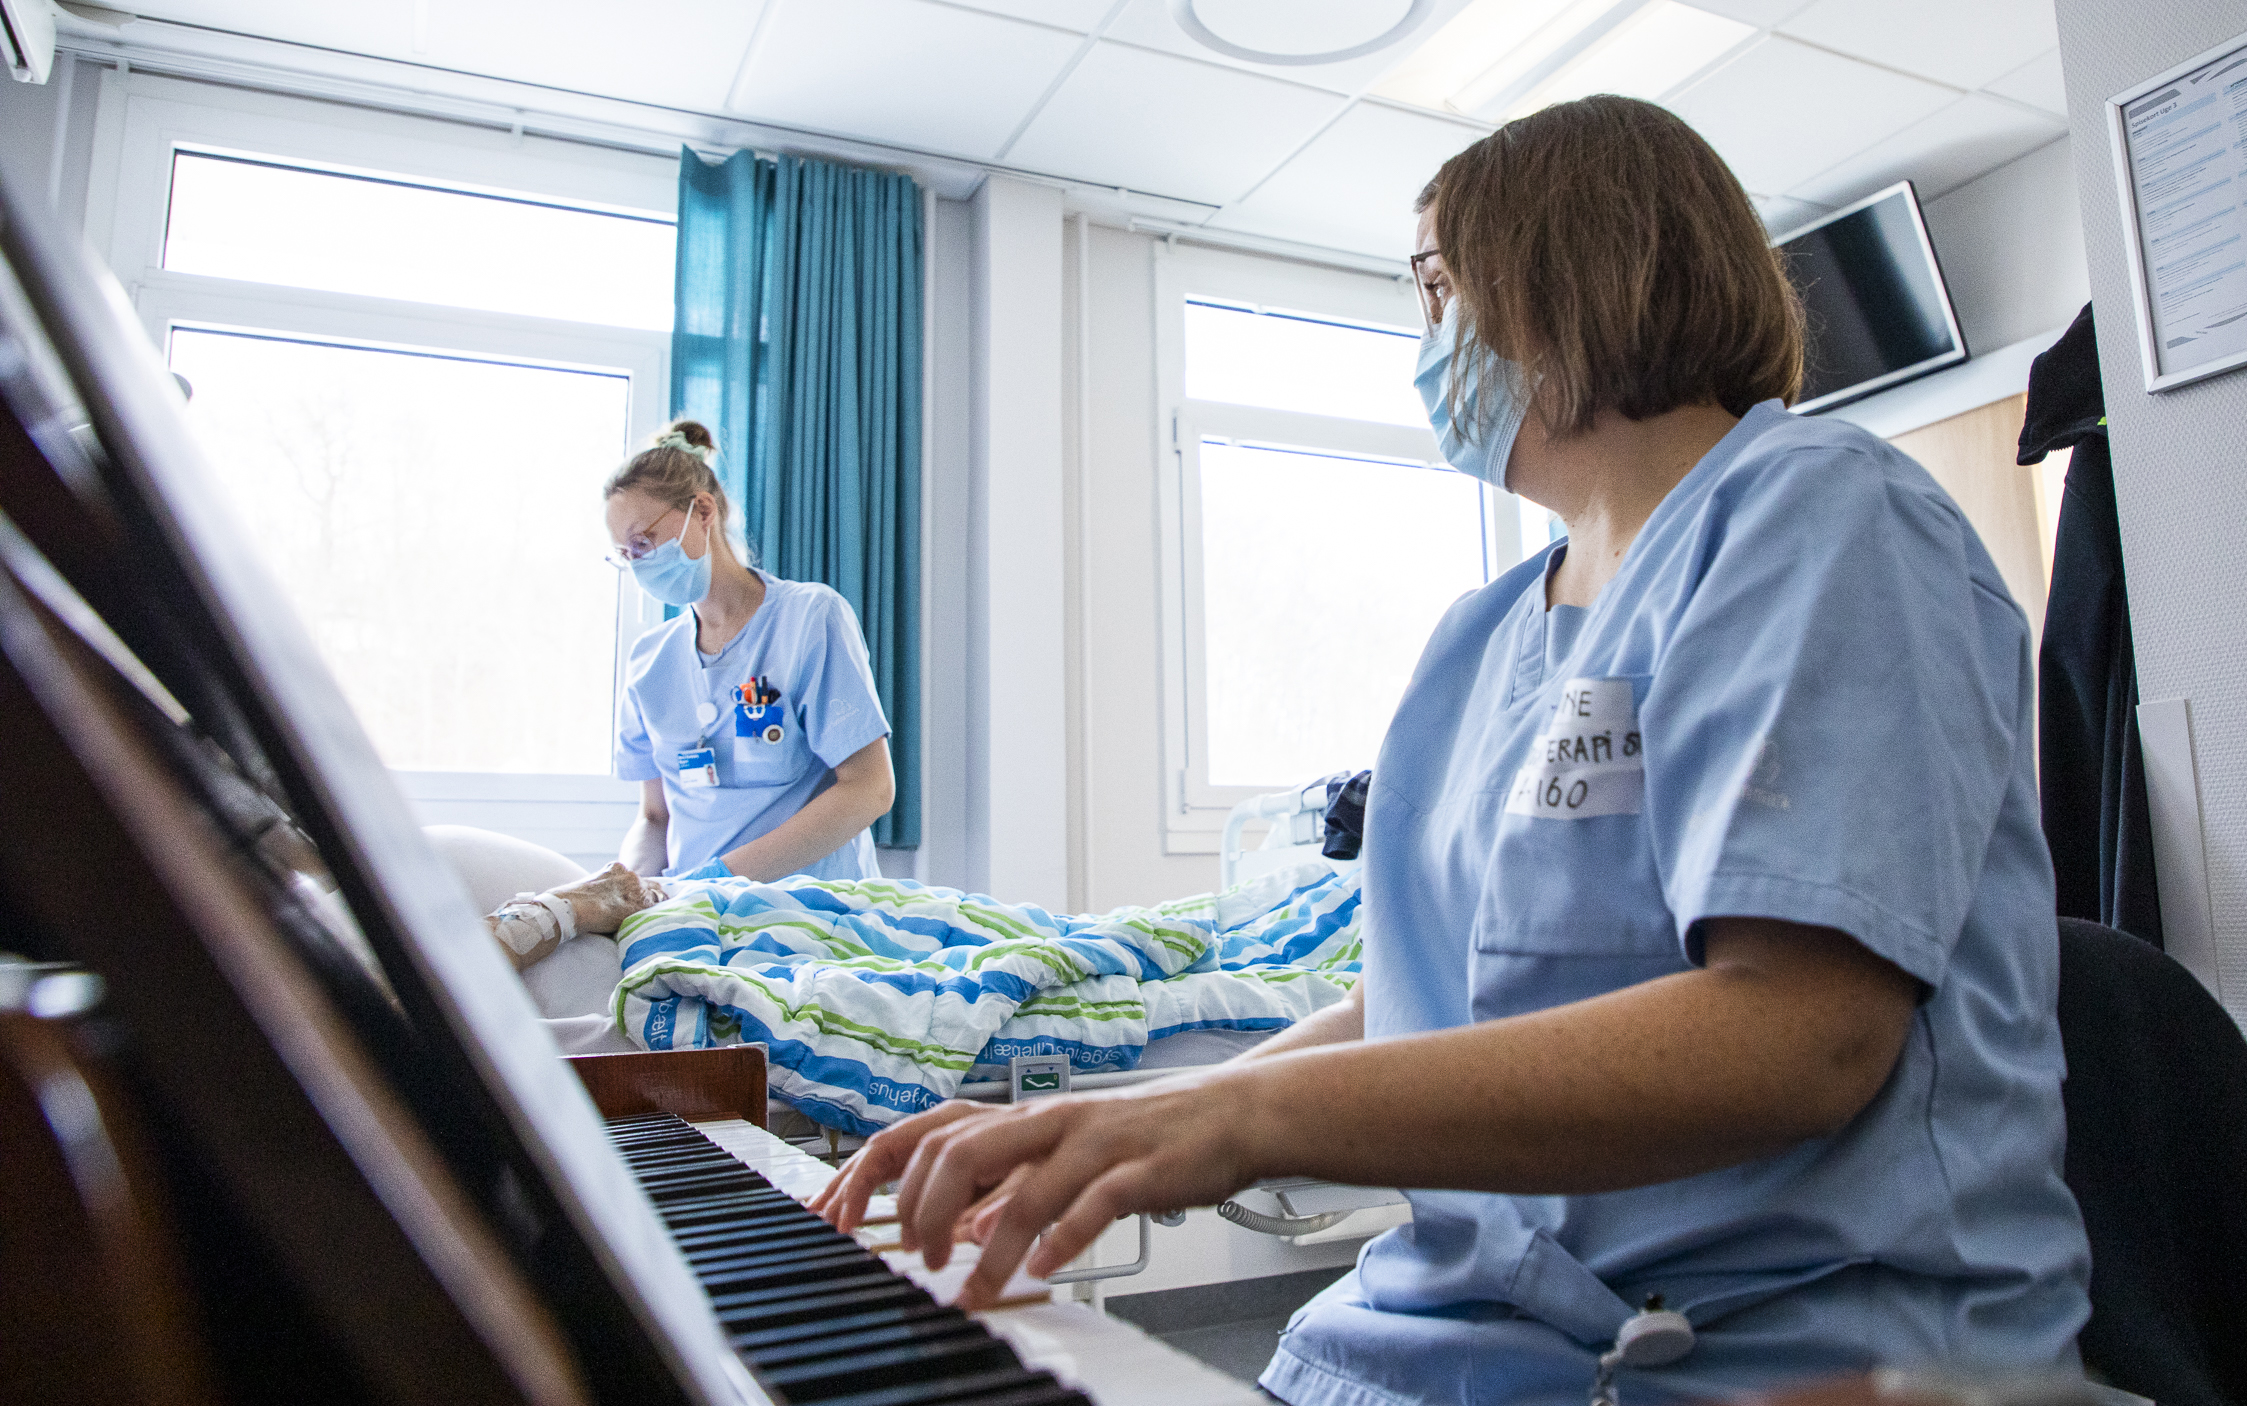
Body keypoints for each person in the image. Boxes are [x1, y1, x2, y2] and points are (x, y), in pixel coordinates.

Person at [813, 96, 2090, 1404]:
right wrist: (1117, 1123)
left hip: (1788, 1347)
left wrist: (1230, 1117)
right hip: (1451, 1334)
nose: (1428, 344)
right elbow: (1409, 1009)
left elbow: (1799, 1031)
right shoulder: (1480, 639)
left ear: (1568, 267)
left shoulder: (1822, 515)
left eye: (1437, 287)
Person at [606, 421, 894, 883]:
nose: (639, 564)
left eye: (643, 542)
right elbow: (655, 818)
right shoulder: (649, 662)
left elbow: (869, 789)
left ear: (702, 511)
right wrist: (629, 889)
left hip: (808, 906)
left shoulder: (809, 618)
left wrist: (718, 881)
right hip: (690, 909)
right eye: (626, 554)